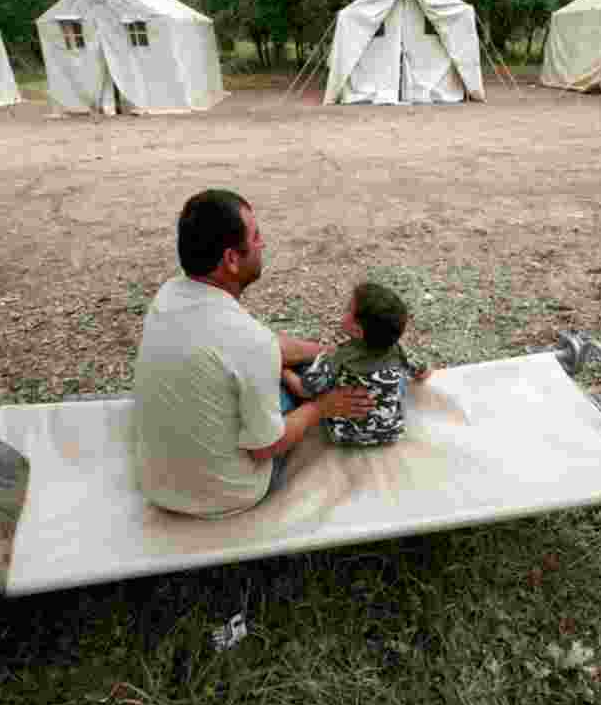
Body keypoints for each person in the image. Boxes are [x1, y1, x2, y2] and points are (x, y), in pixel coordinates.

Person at [131, 189, 376, 519]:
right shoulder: (249, 343)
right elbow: (266, 448)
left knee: (272, 374)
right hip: (226, 495)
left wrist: (326, 351)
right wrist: (322, 407)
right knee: (298, 391)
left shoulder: (168, 296)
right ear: (232, 259)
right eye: (256, 236)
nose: (263, 244)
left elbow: (259, 346)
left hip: (156, 484)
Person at [282, 282, 432, 446]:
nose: (344, 309)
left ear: (357, 331)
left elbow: (303, 391)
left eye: (348, 308)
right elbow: (424, 372)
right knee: (399, 377)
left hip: (343, 434)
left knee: (312, 375)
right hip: (391, 433)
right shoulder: (399, 350)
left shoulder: (336, 357)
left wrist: (284, 370)